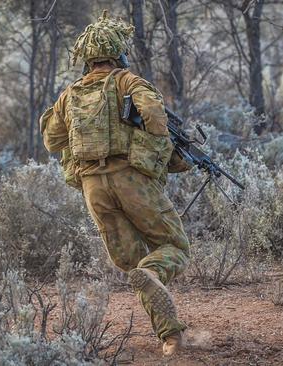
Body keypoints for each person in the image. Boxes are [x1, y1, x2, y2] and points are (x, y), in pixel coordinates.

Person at [40, 11, 190, 356]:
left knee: (134, 266)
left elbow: (51, 141)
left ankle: (171, 337)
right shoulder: (127, 81)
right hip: (130, 180)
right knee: (175, 247)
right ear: (118, 53)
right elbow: (153, 114)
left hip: (94, 188)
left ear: (86, 59)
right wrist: (156, 153)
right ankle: (156, 280)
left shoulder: (70, 94)